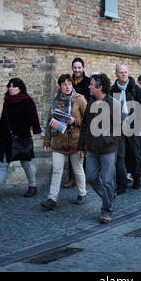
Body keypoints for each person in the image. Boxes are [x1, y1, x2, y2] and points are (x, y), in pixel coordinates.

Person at [0, 78, 42, 200]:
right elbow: (3, 120)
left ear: (20, 88)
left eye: (14, 86)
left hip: (21, 138)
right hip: (7, 138)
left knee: (25, 163)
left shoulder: (27, 101)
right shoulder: (7, 101)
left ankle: (33, 186)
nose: (10, 88)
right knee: (4, 164)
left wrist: (19, 132)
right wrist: (1, 134)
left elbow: (30, 120)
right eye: (9, 86)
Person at [77, 73, 122, 224]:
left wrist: (106, 140)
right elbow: (84, 127)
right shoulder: (90, 103)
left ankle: (106, 210)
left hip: (108, 149)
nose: (88, 87)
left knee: (108, 181)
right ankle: (108, 196)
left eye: (91, 84)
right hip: (92, 149)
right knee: (91, 177)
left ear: (99, 87)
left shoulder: (113, 104)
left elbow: (118, 128)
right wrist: (80, 147)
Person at [40, 74, 87, 210]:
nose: (67, 86)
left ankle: (82, 193)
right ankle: (52, 199)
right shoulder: (56, 100)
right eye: (64, 84)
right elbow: (50, 122)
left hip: (75, 143)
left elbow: (89, 120)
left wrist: (75, 121)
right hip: (59, 142)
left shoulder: (80, 99)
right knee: (57, 170)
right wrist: (46, 142)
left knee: (78, 170)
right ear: (60, 86)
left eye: (69, 84)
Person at [110, 64, 141, 194]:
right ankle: (121, 184)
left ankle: (137, 178)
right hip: (119, 127)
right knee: (120, 156)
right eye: (121, 72)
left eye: (125, 72)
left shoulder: (135, 89)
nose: (124, 74)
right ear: (116, 74)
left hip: (133, 126)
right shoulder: (113, 90)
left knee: (135, 154)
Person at [63, 57, 91, 189]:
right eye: (75, 67)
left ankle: (85, 177)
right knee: (72, 149)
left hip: (85, 119)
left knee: (84, 150)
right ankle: (72, 178)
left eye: (79, 67)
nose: (77, 70)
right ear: (72, 68)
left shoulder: (88, 82)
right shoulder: (69, 82)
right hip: (71, 121)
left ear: (83, 68)